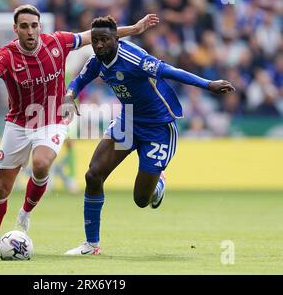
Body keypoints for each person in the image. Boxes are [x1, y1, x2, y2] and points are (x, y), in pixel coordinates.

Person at [0, 5, 160, 253]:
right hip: (18, 123)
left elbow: (91, 35)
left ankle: (26, 212)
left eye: (34, 25)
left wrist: (134, 29)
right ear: (15, 28)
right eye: (24, 26)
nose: (30, 31)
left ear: (40, 26)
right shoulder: (6, 55)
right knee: (1, 188)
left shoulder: (58, 42)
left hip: (53, 117)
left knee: (40, 164)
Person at [63, 16, 235, 255]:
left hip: (158, 128)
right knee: (93, 175)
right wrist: (70, 95)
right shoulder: (97, 61)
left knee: (142, 200)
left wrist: (208, 84)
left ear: (116, 39)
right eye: (95, 41)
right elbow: (79, 80)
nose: (99, 45)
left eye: (104, 40)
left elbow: (170, 71)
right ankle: (91, 245)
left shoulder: (135, 58)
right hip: (129, 120)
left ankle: (158, 182)